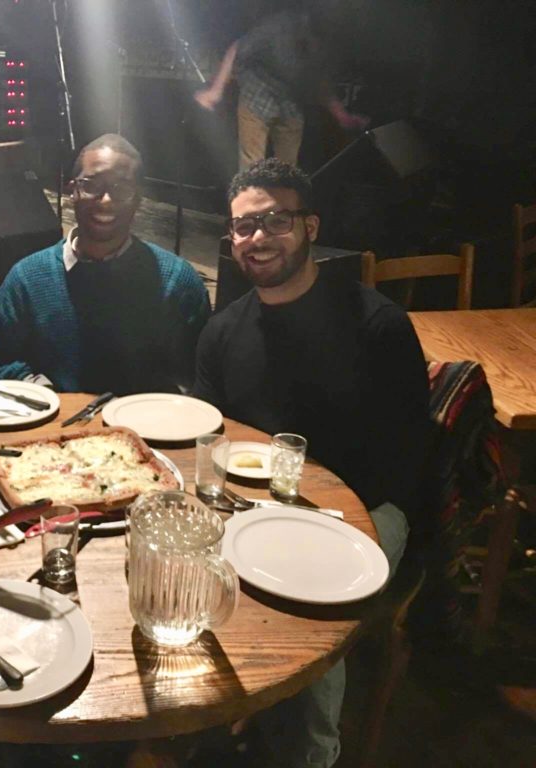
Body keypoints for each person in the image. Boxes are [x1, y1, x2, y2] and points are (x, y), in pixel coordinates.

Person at [194, 158, 431, 767]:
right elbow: (213, 442)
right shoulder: (222, 332)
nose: (257, 238)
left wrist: (324, 520)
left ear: (311, 227)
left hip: (368, 509)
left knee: (308, 612)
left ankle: (310, 755)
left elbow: (406, 459)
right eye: (243, 227)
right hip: (260, 507)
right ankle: (206, 719)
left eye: (275, 219)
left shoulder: (378, 325)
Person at [0, 133, 210, 395]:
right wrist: (49, 397)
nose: (106, 200)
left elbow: (198, 378)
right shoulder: (27, 278)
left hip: (144, 430)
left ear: (138, 199)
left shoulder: (177, 281)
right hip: (51, 427)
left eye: (121, 188)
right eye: (92, 185)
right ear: (72, 190)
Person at [194, 6, 367, 169]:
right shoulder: (281, 25)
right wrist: (215, 91)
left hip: (292, 102)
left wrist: (342, 116)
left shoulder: (330, 42)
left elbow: (320, 81)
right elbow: (237, 49)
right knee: (251, 168)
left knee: (287, 170)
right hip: (257, 92)